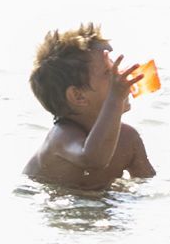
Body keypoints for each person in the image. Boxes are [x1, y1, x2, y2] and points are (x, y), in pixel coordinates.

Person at [22, 23, 154, 191]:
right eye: (109, 73)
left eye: (116, 68)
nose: (119, 76)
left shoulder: (129, 139)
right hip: (58, 206)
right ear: (78, 96)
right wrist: (115, 98)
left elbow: (149, 187)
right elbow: (93, 159)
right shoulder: (61, 138)